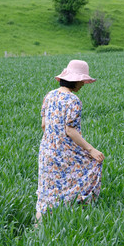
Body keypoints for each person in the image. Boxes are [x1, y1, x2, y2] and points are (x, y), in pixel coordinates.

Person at [35, 60, 105, 221]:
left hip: (46, 152)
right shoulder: (73, 101)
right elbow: (70, 130)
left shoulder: (49, 95)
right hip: (64, 154)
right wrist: (91, 149)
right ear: (75, 80)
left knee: (46, 191)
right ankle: (81, 210)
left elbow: (44, 125)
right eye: (82, 81)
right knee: (93, 164)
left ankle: (37, 231)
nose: (83, 84)